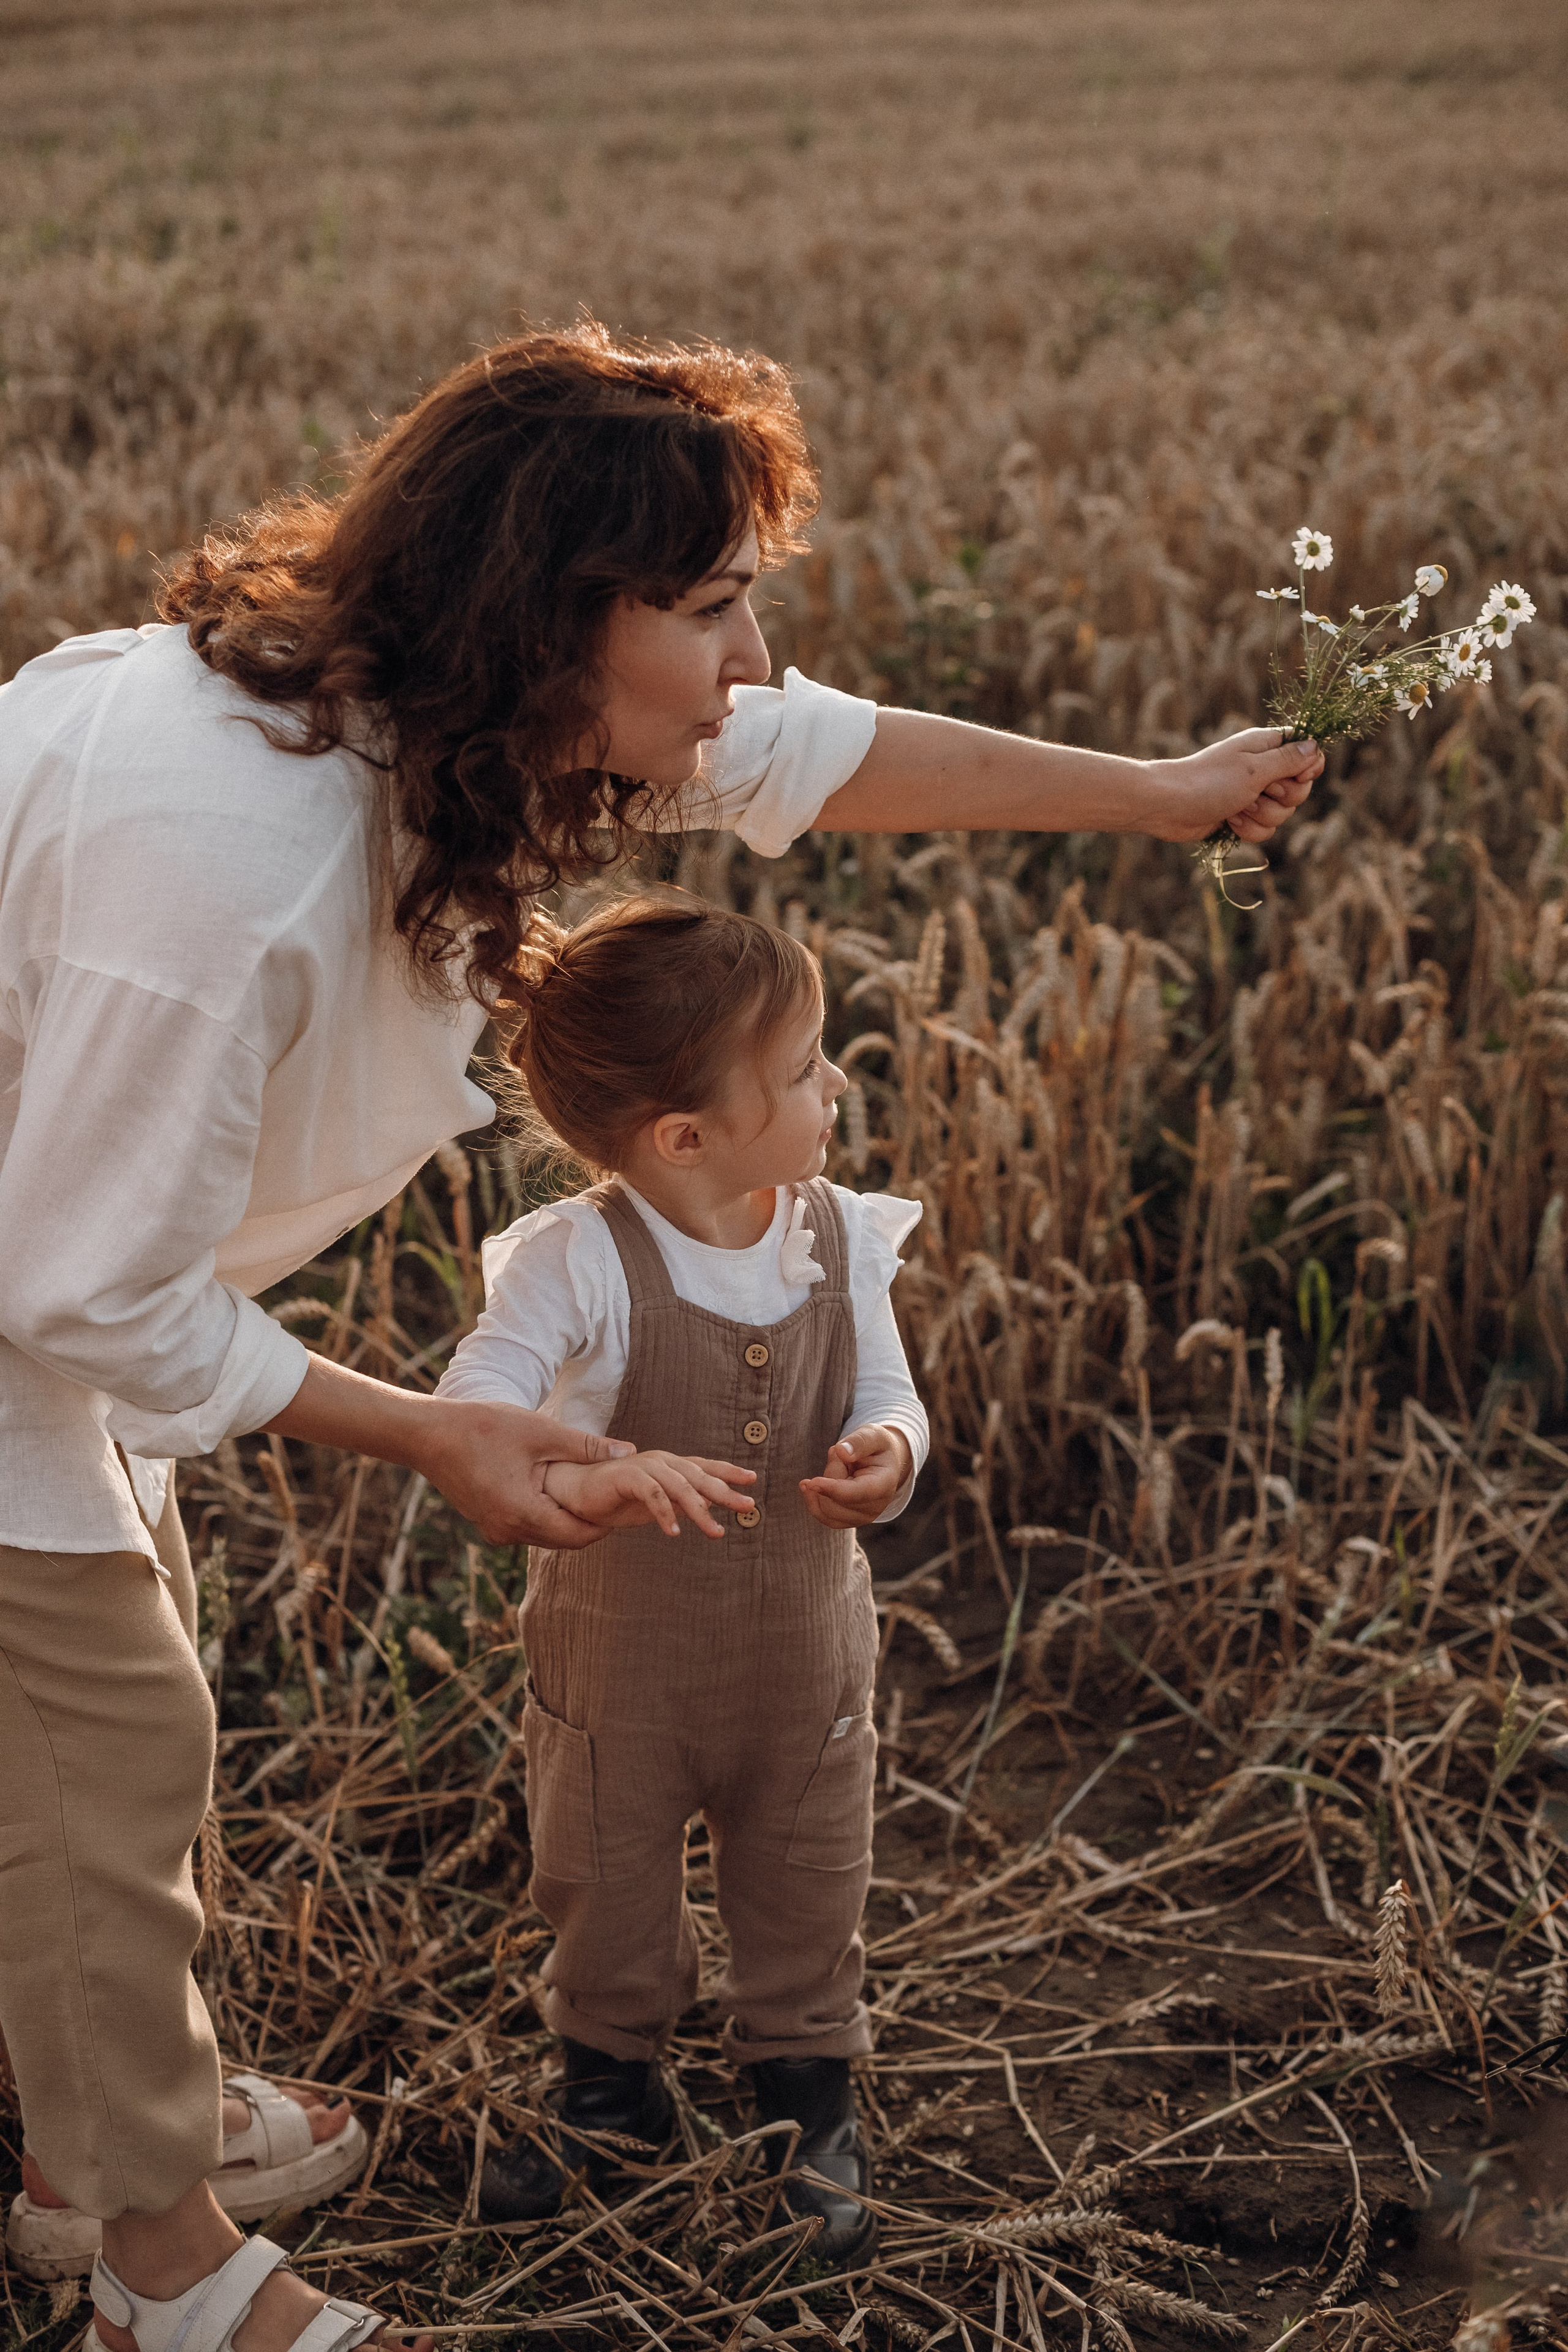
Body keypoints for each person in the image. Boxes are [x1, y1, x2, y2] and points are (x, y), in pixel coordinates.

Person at [0, 321, 1323, 2352]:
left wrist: (1154, 794)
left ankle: (95, 2139)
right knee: (103, 1749)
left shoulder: (445, 726)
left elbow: (814, 752)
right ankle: (155, 2276)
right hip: (27, 1277)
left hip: (41, 1255)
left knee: (103, 1694)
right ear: (549, 615)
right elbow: (83, 1291)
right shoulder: (223, 860)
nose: (748, 659)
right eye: (711, 607)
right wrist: (438, 1431)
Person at [433, 895, 927, 2263]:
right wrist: (581, 1471)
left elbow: (892, 1391)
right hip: (620, 1672)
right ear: (684, 1136)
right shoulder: (575, 1261)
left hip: (805, 1667)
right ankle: (608, 2083)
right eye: (801, 1065)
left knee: (806, 1876)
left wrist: (889, 1451)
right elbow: (483, 1398)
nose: (833, 1080)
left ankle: (805, 2093)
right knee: (602, 1875)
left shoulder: (837, 1239)